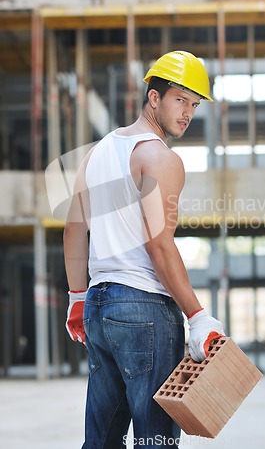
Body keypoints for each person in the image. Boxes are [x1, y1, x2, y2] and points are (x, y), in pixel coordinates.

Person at [64, 50, 225, 448]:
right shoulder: (161, 157)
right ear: (154, 98)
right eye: (180, 99)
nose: (188, 112)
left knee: (101, 441)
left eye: (194, 103)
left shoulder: (98, 152)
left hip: (101, 308)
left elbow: (73, 228)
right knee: (156, 441)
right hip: (144, 309)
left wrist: (77, 297)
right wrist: (198, 315)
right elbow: (159, 244)